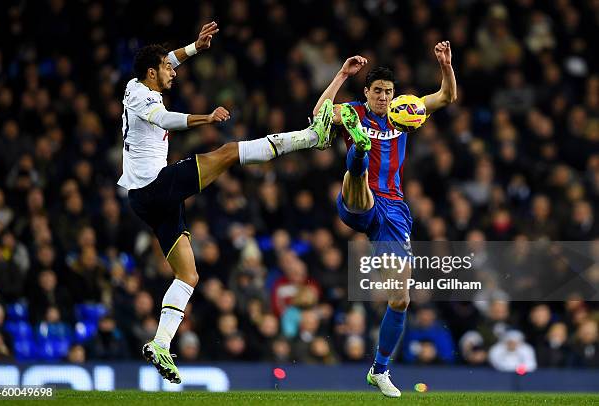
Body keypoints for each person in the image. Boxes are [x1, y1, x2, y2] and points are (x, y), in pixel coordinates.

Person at [118, 22, 335, 384]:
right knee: (230, 151)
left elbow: (167, 59)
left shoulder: (135, 83)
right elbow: (164, 118)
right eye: (168, 69)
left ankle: (159, 343)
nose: (174, 71)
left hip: (146, 196)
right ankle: (311, 137)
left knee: (188, 275)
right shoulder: (145, 98)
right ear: (152, 73)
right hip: (156, 186)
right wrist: (207, 118)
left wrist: (196, 48)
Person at [313, 41, 457, 397]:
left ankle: (380, 369)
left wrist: (446, 65)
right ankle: (359, 150)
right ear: (367, 92)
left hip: (393, 211)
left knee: (400, 297)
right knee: (358, 175)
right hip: (358, 200)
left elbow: (445, 97)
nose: (383, 97)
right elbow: (318, 115)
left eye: (388, 92)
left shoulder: (403, 112)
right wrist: (342, 74)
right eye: (377, 91)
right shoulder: (353, 111)